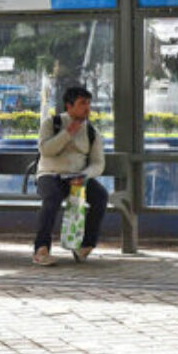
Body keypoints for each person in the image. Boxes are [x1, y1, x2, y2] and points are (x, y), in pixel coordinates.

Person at [32, 85, 107, 265]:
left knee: (100, 196)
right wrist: (68, 133)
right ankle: (41, 249)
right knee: (52, 198)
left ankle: (85, 246)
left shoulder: (92, 132)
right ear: (69, 106)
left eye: (89, 103)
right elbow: (46, 150)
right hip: (50, 175)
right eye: (82, 103)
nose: (87, 108)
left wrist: (85, 175)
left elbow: (98, 163)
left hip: (78, 177)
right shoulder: (51, 123)